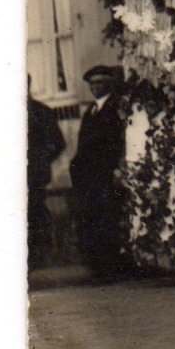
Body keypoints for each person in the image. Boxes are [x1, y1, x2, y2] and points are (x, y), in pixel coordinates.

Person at [69, 65, 129, 282]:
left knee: (107, 220)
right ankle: (99, 267)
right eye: (92, 84)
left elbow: (116, 143)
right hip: (90, 177)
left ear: (109, 84)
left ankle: (111, 268)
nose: (95, 88)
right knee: (93, 220)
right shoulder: (91, 112)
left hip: (105, 174)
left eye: (100, 83)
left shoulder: (114, 108)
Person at [27, 82, 66, 270]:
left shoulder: (41, 112)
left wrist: (39, 160)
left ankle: (36, 259)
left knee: (34, 215)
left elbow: (57, 142)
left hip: (33, 176)